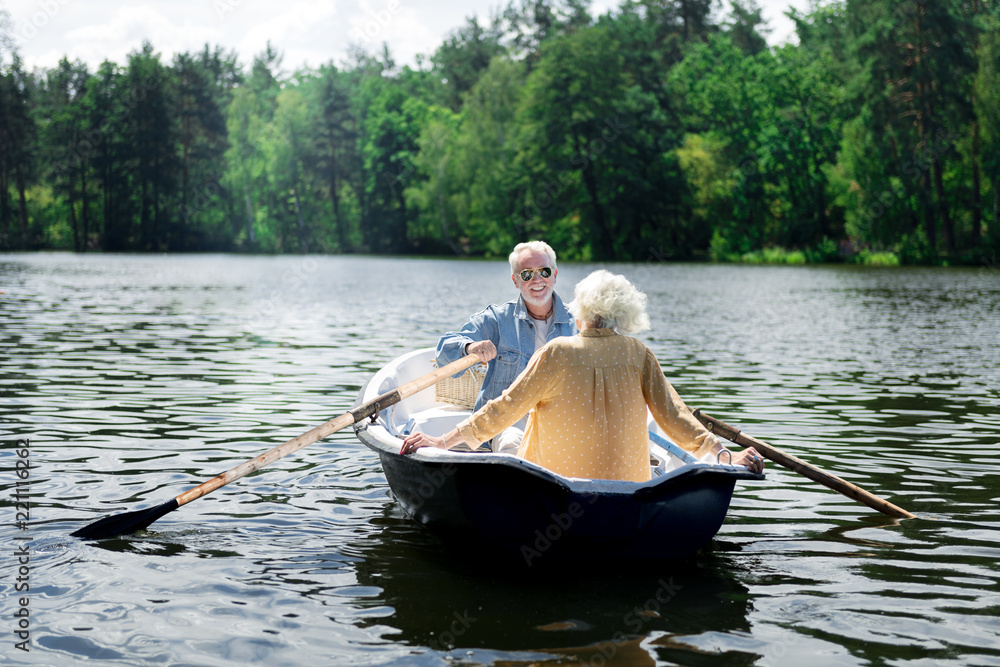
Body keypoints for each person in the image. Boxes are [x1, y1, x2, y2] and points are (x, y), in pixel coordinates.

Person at [402, 270, 764, 481]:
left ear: (583, 309)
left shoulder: (558, 352)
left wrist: (442, 442)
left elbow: (504, 408)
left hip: (553, 484)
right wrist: (722, 454)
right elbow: (674, 416)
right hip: (629, 484)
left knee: (512, 435)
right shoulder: (638, 353)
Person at [434, 241, 578, 451]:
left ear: (554, 275)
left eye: (544, 271)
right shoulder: (497, 319)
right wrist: (469, 347)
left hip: (562, 419)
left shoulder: (580, 322)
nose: (537, 279)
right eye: (527, 274)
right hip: (508, 420)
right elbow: (443, 354)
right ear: (515, 281)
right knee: (511, 444)